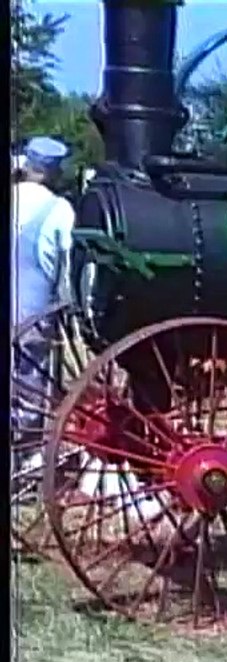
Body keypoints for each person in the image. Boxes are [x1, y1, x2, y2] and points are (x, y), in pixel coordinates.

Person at [11, 137, 75, 479]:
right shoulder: (60, 210)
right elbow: (68, 267)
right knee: (32, 382)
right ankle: (26, 457)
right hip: (31, 311)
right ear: (54, 171)